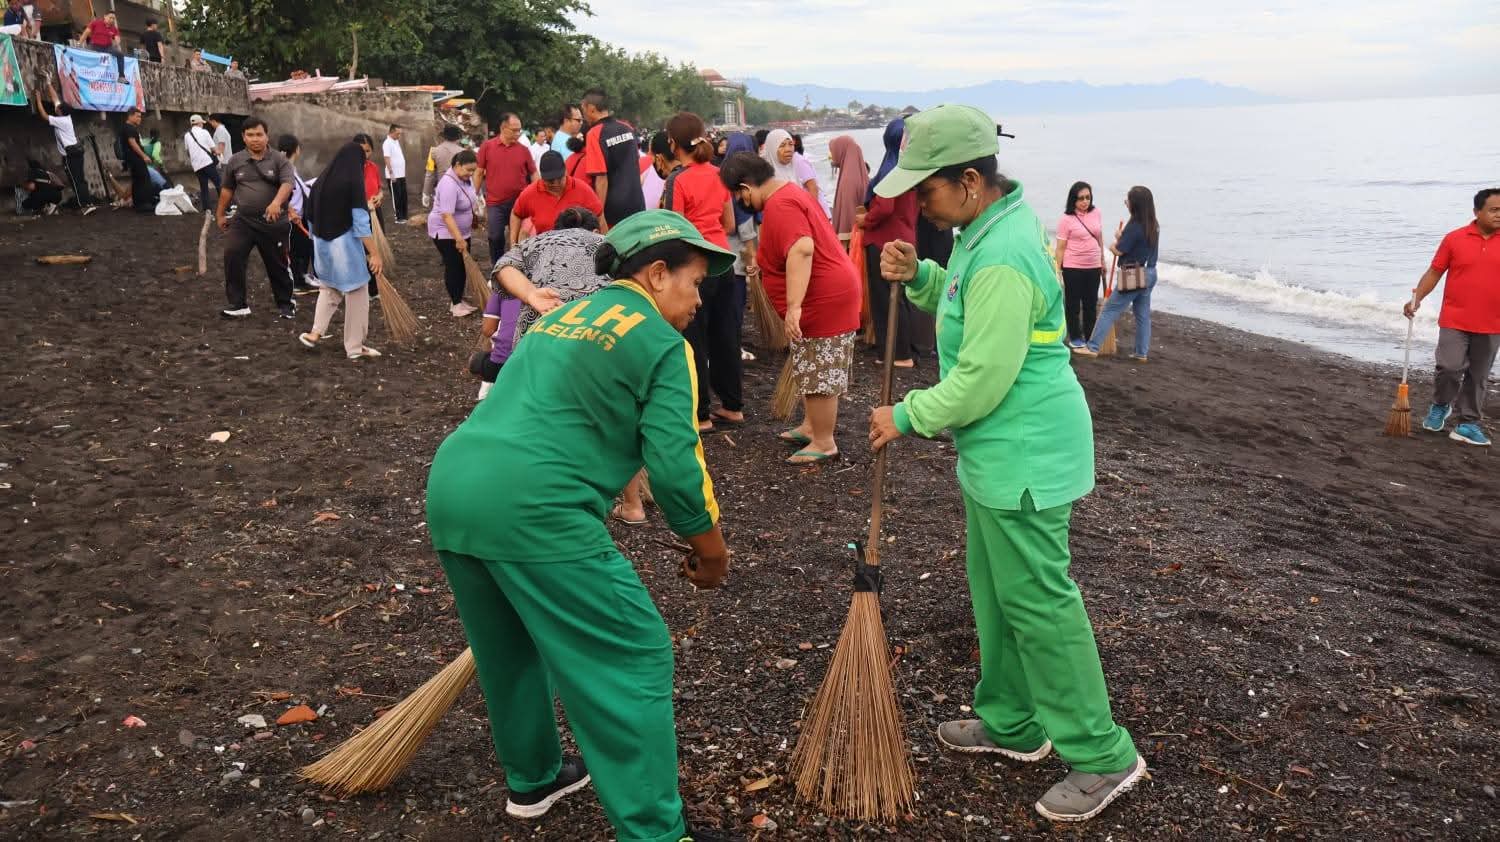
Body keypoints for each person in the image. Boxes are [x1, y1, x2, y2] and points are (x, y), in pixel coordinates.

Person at [869, 104, 1144, 824]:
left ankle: (1102, 752)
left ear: (969, 180)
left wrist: (905, 416)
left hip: (1025, 451)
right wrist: (926, 276)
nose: (916, 204)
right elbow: (970, 310)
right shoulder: (981, 231)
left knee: (1042, 605)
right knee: (995, 594)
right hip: (996, 454)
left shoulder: (1001, 252)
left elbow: (984, 376)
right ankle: (1015, 724)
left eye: (923, 190)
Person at [424, 209, 736, 842]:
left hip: (455, 484)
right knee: (634, 650)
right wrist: (711, 549)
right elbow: (676, 469)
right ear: (654, 274)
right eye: (694, 281)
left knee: (507, 646)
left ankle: (535, 780)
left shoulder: (561, 316)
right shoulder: (659, 341)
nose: (699, 300)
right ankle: (655, 831)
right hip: (536, 509)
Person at [720, 152, 861, 464]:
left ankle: (824, 442)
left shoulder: (781, 204)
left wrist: (794, 306)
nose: (741, 202)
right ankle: (812, 426)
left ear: (745, 187)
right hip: (828, 293)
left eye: (739, 195)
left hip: (823, 299)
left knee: (820, 370)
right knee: (809, 365)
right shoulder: (789, 192)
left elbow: (802, 248)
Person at [665, 112, 743, 431]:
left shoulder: (678, 179)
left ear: (672, 143)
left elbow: (674, 229)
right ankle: (733, 405)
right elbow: (730, 224)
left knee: (694, 337)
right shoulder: (720, 174)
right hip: (723, 260)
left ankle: (701, 415)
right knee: (726, 334)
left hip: (694, 266)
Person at [478, 206, 606, 400]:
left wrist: (530, 294)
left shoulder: (535, 243)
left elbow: (502, 266)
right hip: (593, 348)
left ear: (555, 230)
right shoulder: (606, 245)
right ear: (596, 231)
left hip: (533, 348)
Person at [1404, 187, 1500, 447]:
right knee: (1449, 367)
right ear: (1477, 212)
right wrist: (1417, 298)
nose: (1499, 215)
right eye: (1494, 210)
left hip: (1492, 323)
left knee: (1478, 376)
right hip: (1455, 319)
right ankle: (1441, 405)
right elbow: (1435, 272)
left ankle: (1468, 423)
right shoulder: (1454, 239)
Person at [298, 143, 383, 361]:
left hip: (321, 247)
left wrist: (316, 242)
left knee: (329, 289)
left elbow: (309, 216)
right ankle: (355, 347)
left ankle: (315, 333)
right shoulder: (352, 184)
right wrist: (374, 253)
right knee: (357, 294)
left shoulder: (320, 183)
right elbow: (361, 225)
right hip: (344, 250)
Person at [217, 117, 296, 320]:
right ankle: (238, 303)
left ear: (267, 136)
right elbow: (227, 189)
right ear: (243, 137)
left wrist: (277, 203)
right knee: (232, 254)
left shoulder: (279, 159)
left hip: (272, 222)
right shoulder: (235, 160)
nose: (255, 139)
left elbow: (287, 184)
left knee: (276, 263)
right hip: (243, 220)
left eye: (259, 134)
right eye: (250, 135)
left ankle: (286, 304)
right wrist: (220, 213)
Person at [1076, 186, 1159, 361]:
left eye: (1128, 201)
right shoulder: (1153, 225)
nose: (1126, 204)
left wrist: (1117, 240)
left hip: (1133, 273)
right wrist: (1123, 237)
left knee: (1110, 309)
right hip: (1151, 272)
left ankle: (1092, 347)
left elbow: (1118, 251)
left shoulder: (1135, 226)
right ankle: (1141, 353)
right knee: (1142, 314)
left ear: (1135, 204)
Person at [861, 118, 919, 367]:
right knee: (899, 297)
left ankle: (898, 354)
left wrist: (867, 220)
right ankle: (899, 351)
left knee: (887, 299)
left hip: (885, 240)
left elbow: (884, 207)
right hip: (905, 236)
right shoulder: (912, 168)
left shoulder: (892, 169)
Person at [474, 112, 536, 261]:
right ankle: (497, 267)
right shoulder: (487, 147)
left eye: (519, 130)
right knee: (495, 237)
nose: (518, 133)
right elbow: (478, 173)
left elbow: (534, 174)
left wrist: (537, 193)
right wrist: (472, 197)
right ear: (503, 128)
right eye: (514, 130)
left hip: (519, 202)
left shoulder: (523, 150)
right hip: (495, 203)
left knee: (519, 238)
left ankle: (518, 266)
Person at [580, 88, 645, 229]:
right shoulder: (627, 128)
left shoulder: (594, 134)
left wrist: (599, 215)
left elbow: (601, 178)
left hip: (613, 210)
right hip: (636, 204)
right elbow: (635, 164)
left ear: (591, 109)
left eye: (583, 109)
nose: (582, 115)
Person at [508, 150, 603, 247]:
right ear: (542, 176)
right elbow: (516, 214)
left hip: (578, 250)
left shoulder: (582, 189)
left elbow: (600, 217)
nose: (556, 183)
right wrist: (513, 244)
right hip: (546, 252)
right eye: (550, 181)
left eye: (560, 178)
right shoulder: (530, 193)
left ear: (565, 171)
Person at [429, 149, 483, 317]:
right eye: (468, 170)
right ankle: (456, 304)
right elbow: (446, 215)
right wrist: (458, 239)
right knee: (454, 267)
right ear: (457, 165)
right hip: (446, 232)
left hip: (462, 231)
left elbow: (470, 199)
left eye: (473, 170)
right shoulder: (448, 184)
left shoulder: (464, 180)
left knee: (462, 267)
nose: (471, 174)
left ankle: (458, 299)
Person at [1055, 182, 1105, 348]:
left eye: (1088, 197)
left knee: (1091, 303)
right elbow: (1060, 247)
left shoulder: (1096, 213)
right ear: (1073, 200)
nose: (1085, 201)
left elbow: (1099, 237)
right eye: (1081, 198)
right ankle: (1075, 337)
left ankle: (1090, 336)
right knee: (1073, 304)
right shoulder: (1066, 219)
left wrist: (1103, 260)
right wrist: (1058, 270)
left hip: (1093, 266)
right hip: (1073, 267)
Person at [35, 88, 96, 211]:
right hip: (77, 151)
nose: (56, 108)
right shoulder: (66, 117)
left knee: (75, 180)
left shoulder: (61, 121)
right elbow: (56, 99)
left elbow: (44, 116)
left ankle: (83, 206)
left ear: (61, 112)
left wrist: (38, 99)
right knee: (81, 178)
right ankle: (88, 203)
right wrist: (48, 84)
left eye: (58, 108)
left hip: (71, 154)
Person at [278, 133, 318, 295]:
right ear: (297, 150)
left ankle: (300, 277)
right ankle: (297, 282)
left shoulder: (289, 168)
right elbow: (282, 192)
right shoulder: (285, 169)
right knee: (297, 250)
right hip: (293, 219)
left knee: (303, 248)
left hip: (298, 216)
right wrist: (291, 212)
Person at [761, 129, 821, 208]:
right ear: (772, 148)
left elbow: (813, 188)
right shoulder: (764, 177)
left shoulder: (792, 171)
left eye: (791, 144)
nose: (788, 149)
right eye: (782, 145)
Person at [828, 136, 868, 246]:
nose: (832, 155)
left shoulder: (848, 180)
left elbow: (847, 217)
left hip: (852, 241)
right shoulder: (859, 172)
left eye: (834, 151)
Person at [117, 109, 158, 212]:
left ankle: (140, 203)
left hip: (133, 159)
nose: (140, 119)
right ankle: (143, 204)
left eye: (140, 116)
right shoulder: (129, 128)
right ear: (130, 116)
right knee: (143, 180)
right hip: (135, 159)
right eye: (137, 116)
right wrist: (144, 156)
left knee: (137, 180)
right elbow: (133, 143)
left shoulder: (127, 128)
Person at [422, 123, 466, 209]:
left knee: (443, 216)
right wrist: (477, 194)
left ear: (444, 136)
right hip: (460, 190)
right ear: (458, 137)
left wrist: (425, 193)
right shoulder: (463, 152)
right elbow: (470, 174)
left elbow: (429, 175)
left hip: (442, 190)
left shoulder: (434, 151)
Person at [184, 114, 221, 213]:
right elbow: (214, 149)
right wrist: (219, 153)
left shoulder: (187, 135)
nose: (203, 125)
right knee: (219, 183)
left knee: (203, 187)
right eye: (202, 123)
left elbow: (188, 152)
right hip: (207, 162)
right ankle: (226, 208)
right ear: (199, 123)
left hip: (196, 165)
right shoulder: (204, 132)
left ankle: (207, 210)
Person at [82, 12, 127, 83]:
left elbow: (117, 39)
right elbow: (86, 32)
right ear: (105, 16)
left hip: (107, 48)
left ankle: (121, 76)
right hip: (94, 46)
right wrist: (79, 43)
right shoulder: (95, 23)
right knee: (84, 53)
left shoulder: (114, 29)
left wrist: (116, 42)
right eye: (110, 17)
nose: (112, 20)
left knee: (120, 54)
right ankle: (83, 73)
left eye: (113, 18)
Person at [382, 124, 408, 223]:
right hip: (393, 175)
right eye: (397, 134)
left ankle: (404, 216)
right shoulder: (387, 143)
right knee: (396, 196)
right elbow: (387, 158)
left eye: (400, 134)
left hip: (401, 174)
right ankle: (398, 218)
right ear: (392, 132)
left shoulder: (395, 141)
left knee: (403, 195)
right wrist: (391, 172)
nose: (399, 136)